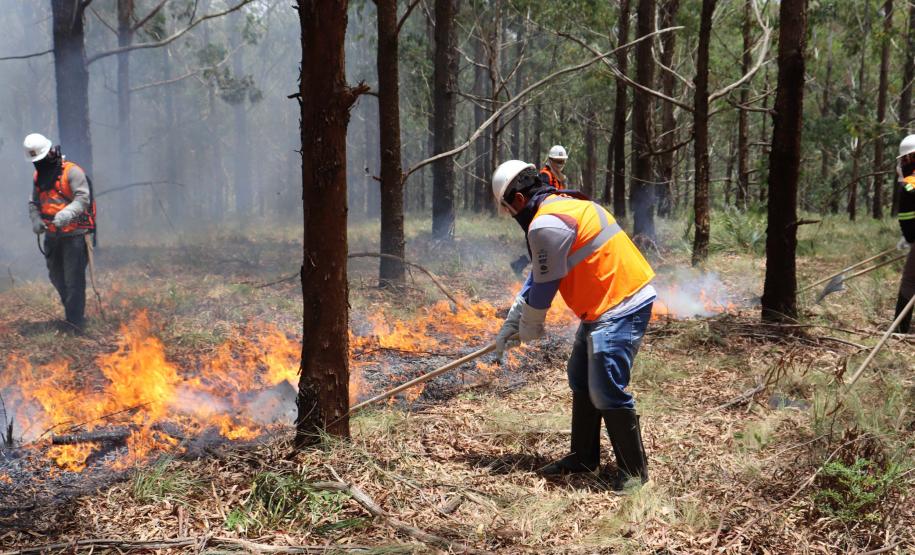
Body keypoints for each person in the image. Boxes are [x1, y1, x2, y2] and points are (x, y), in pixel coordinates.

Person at [492, 159, 656, 490]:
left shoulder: (544, 224)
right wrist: (516, 315)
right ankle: (584, 456)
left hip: (620, 304)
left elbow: (545, 286)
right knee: (580, 376)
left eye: (508, 210)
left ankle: (634, 476)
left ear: (519, 201)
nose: (512, 217)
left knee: (606, 387)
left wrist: (530, 326)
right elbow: (542, 271)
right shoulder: (566, 205)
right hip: (604, 306)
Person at [24, 133, 95, 332]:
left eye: (40, 159)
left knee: (73, 280)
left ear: (50, 153)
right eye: (34, 161)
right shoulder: (38, 176)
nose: (38, 164)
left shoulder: (72, 172)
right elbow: (34, 202)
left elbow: (83, 199)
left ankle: (75, 322)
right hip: (51, 236)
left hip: (74, 235)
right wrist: (36, 220)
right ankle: (72, 314)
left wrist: (66, 214)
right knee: (57, 277)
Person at [894, 135, 915, 333]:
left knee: (909, 281)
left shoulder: (911, 179)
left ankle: (899, 330)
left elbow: (910, 191)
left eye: (905, 158)